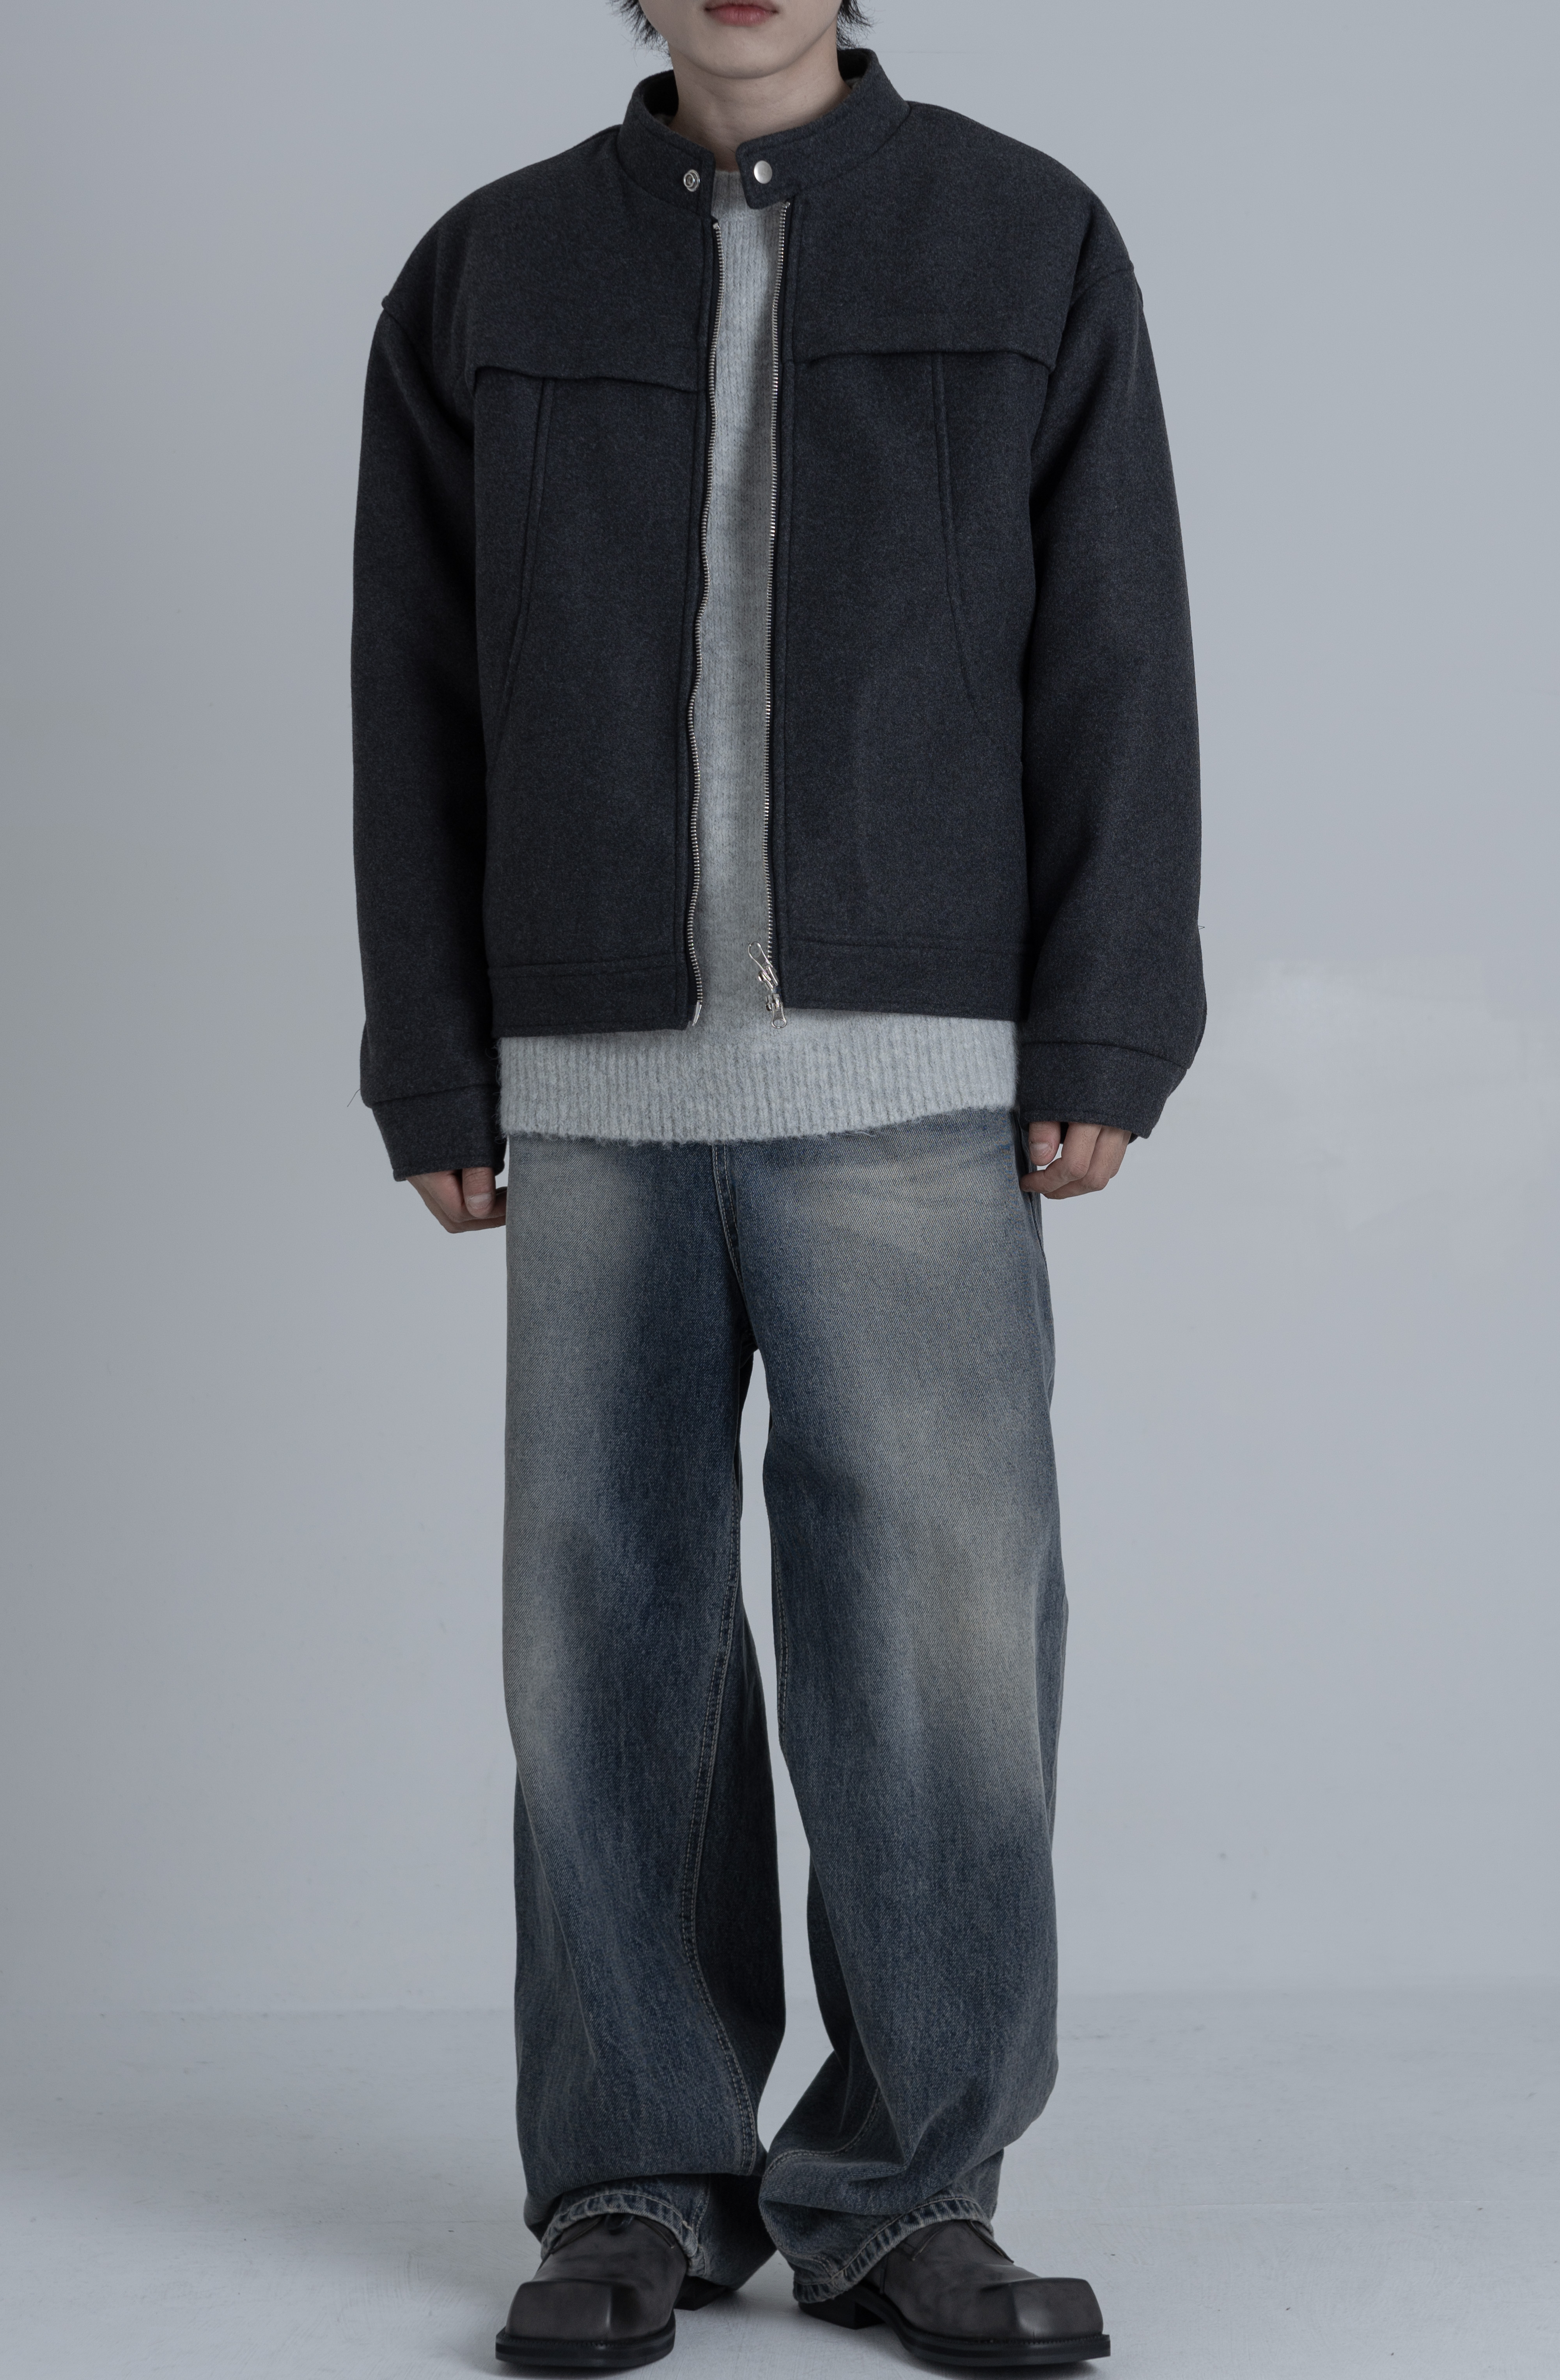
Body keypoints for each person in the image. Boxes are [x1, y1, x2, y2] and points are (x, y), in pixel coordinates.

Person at [351, 0, 1202, 2366]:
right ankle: (635, 2180)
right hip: (590, 1080)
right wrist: (432, 1053)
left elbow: (1117, 646)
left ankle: (912, 2191)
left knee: (940, 1663)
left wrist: (1106, 1013)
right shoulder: (489, 272)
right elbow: (411, 681)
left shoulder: (1026, 239)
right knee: (602, 1656)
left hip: (915, 1078)